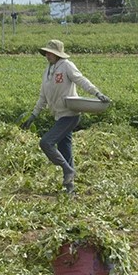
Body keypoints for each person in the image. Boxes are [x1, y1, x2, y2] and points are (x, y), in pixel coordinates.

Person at [20, 40, 110, 194]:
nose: (47, 55)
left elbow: (81, 80)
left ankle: (68, 170)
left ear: (57, 54)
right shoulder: (47, 71)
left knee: (46, 142)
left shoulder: (66, 66)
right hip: (58, 115)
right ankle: (70, 189)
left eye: (50, 53)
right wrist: (33, 115)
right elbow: (43, 96)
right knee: (65, 150)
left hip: (69, 115)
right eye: (46, 53)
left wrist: (97, 93)